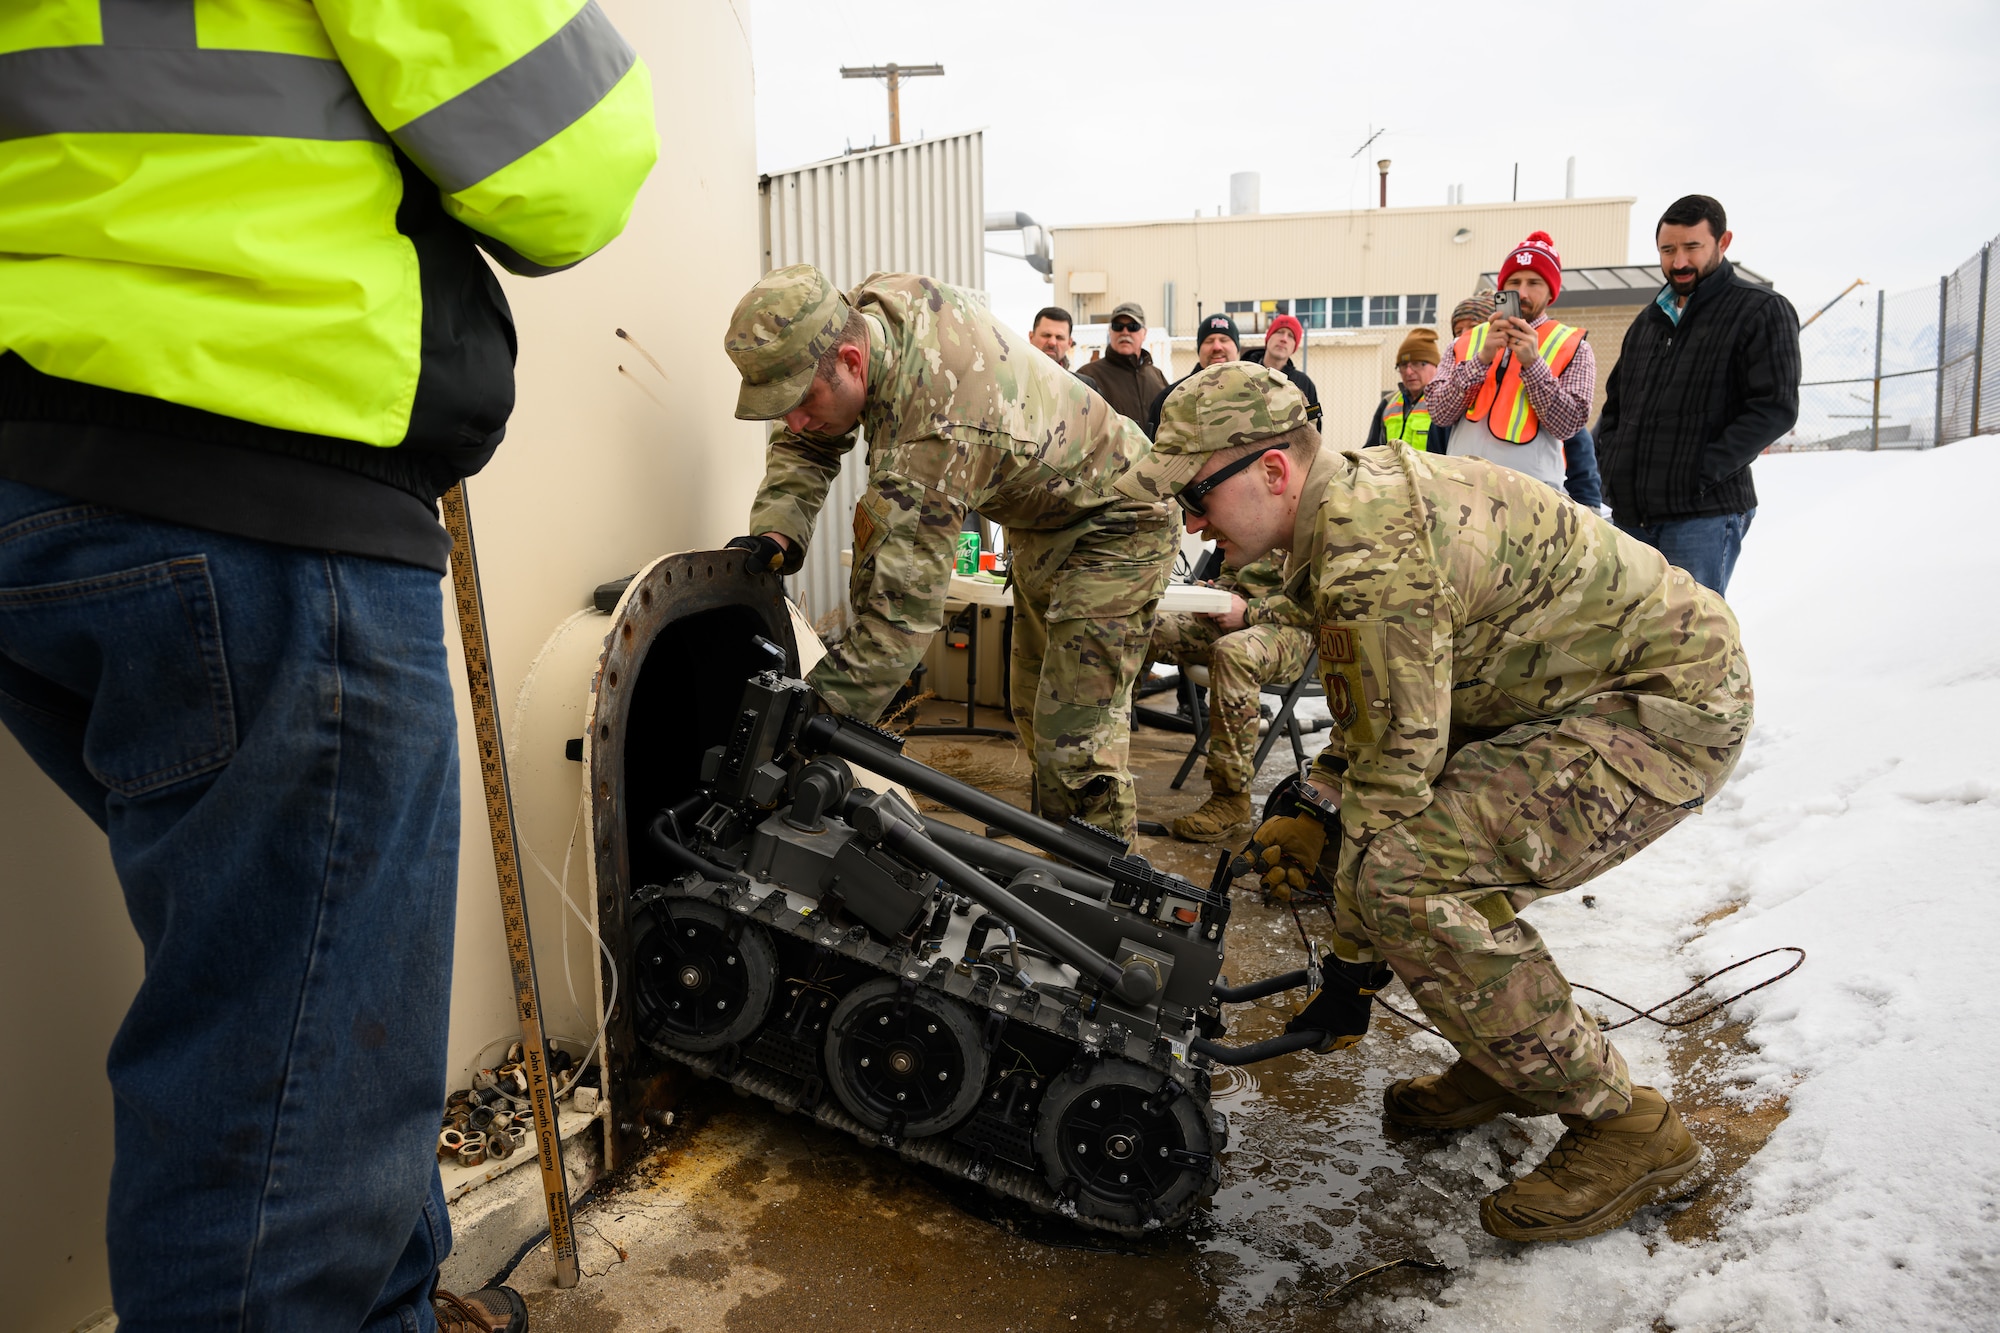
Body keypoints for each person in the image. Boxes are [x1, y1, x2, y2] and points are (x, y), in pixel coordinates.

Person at [0, 4, 657, 1329]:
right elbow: (572, 163)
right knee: (285, 1110)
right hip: (255, 477)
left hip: (40, 473)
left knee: (300, 1029)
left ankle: (394, 1299)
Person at [1125, 363, 1752, 1243]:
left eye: (1197, 493)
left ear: (1274, 472)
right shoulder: (1344, 514)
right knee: (1406, 865)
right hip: (1562, 696)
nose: (1191, 520)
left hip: (1661, 710)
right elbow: (1391, 710)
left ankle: (1624, 1124)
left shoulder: (1369, 552)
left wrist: (1348, 965)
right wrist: (1317, 796)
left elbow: (1396, 781)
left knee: (1406, 880)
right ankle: (1510, 1056)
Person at [724, 266, 1176, 838]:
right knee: (1037, 705)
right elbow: (807, 438)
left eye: (801, 399)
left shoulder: (934, 429)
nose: (793, 420)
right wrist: (776, 534)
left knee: (1075, 743)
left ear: (852, 362)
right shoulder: (871, 309)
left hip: (1122, 518)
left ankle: (1108, 903)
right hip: (1048, 517)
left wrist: (801, 726)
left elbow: (896, 625)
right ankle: (1064, 853)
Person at [1597, 195, 1801, 595]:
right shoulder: (1648, 322)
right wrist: (1612, 467)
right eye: (1668, 250)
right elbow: (1616, 406)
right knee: (1630, 636)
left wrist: (1700, 471)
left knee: (1689, 637)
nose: (1679, 262)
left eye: (1692, 247)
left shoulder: (1760, 310)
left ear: (1723, 243)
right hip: (1632, 515)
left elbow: (1774, 408)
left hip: (1703, 514)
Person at [1147, 556, 1313, 841]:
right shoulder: (1253, 517)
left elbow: (1327, 603)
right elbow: (1237, 573)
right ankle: (1095, 759)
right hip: (1242, 617)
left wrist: (1250, 610)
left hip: (1298, 627)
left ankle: (1231, 800)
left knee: (1233, 654)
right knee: (1142, 625)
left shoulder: (1326, 521)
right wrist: (1215, 595)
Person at [1423, 234, 1596, 491]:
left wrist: (1533, 364)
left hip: (1534, 499)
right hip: (1463, 491)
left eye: (1534, 282)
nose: (1522, 292)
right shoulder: (1466, 342)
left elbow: (1568, 425)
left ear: (1551, 292)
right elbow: (1439, 413)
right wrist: (1482, 360)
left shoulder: (1574, 347)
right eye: (1514, 281)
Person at [1146, 311, 1242, 439]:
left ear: (1237, 348)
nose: (1217, 347)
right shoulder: (1170, 398)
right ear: (1199, 349)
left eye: (1224, 340)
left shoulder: (1257, 392)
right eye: (1209, 341)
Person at [1074, 300, 1168, 427]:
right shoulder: (1088, 376)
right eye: (1118, 326)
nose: (1125, 332)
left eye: (1133, 327)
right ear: (1110, 331)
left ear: (1144, 333)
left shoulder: (1157, 376)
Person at [1364, 328, 1450, 452]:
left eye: (1417, 363)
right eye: (1403, 365)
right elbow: (1372, 450)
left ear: (1435, 365)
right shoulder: (1388, 403)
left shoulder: (1446, 401)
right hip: (1393, 472)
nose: (1409, 372)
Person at [1244, 313, 1322, 426]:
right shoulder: (1244, 373)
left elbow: (1315, 427)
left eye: (1291, 336)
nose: (1284, 339)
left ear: (1294, 347)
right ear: (1268, 337)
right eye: (1280, 332)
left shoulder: (1304, 383)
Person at [1029, 306, 1077, 370]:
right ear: (1031, 337)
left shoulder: (1081, 380)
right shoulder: (1013, 375)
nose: (1052, 342)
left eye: (1059, 337)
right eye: (1046, 335)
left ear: (1069, 343)